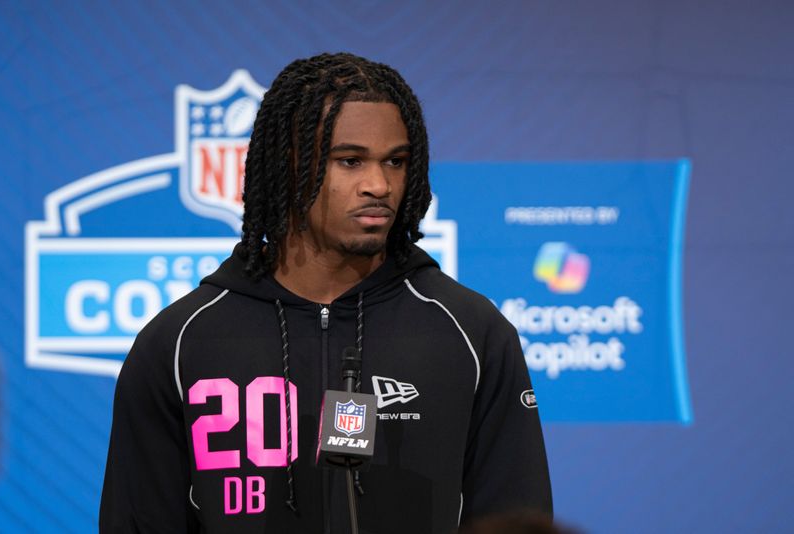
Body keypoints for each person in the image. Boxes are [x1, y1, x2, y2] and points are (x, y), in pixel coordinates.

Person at [100, 52, 552, 533]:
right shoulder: (180, 342)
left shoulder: (471, 332)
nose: (378, 185)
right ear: (289, 165)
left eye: (395, 162)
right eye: (350, 161)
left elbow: (516, 520)